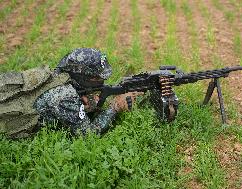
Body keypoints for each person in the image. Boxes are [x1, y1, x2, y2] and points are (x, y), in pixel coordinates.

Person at [0, 48, 139, 138]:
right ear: (81, 76)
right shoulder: (65, 97)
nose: (102, 81)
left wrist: (84, 106)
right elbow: (88, 135)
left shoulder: (58, 77)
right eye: (97, 77)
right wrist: (114, 107)